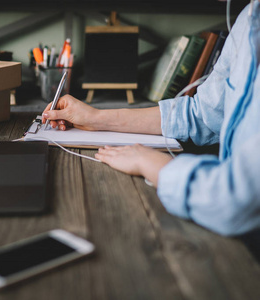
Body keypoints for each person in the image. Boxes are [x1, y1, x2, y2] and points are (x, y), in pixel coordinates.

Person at [41, 2, 260, 237]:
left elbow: (234, 201)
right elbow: (203, 114)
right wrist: (96, 118)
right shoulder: (249, 17)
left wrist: (152, 163)